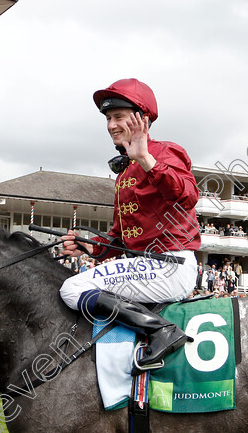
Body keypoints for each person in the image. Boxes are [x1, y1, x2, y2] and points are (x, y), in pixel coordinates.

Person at [59, 78, 201, 369]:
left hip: (170, 265)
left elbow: (188, 196)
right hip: (146, 266)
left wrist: (147, 159)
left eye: (119, 117)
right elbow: (120, 239)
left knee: (71, 290)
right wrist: (88, 247)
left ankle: (159, 330)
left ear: (142, 119)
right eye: (108, 118)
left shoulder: (164, 152)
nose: (111, 125)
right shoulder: (124, 174)